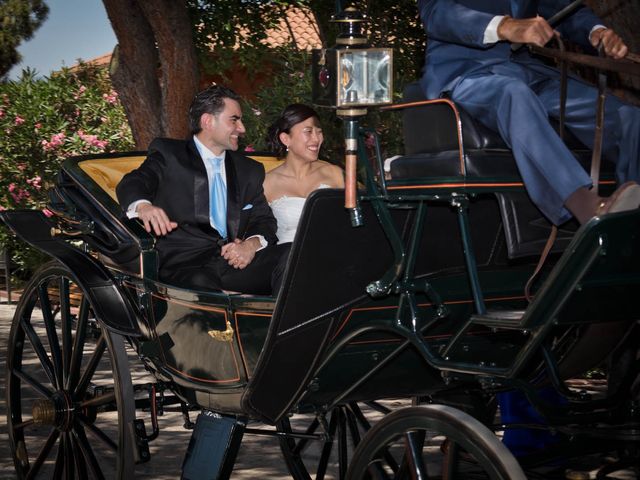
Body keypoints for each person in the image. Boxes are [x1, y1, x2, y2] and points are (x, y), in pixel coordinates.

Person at [417, 0, 640, 226]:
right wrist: (505, 27)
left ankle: (630, 213)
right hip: (467, 71)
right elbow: (436, 12)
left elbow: (563, 11)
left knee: (629, 116)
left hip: (528, 70)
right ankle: (588, 208)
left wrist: (597, 32)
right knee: (514, 95)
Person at [116, 85, 288, 294]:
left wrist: (250, 246)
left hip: (231, 263)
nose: (242, 128)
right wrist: (143, 206)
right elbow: (134, 182)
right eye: (234, 120)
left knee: (292, 256)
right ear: (207, 121)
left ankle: (286, 327)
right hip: (183, 266)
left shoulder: (248, 170)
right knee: (204, 288)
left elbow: (264, 221)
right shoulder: (170, 155)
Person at [264, 104, 344, 244]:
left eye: (319, 132)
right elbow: (258, 229)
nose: (316, 139)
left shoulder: (334, 173)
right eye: (308, 131)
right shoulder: (267, 183)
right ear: (286, 139)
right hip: (287, 260)